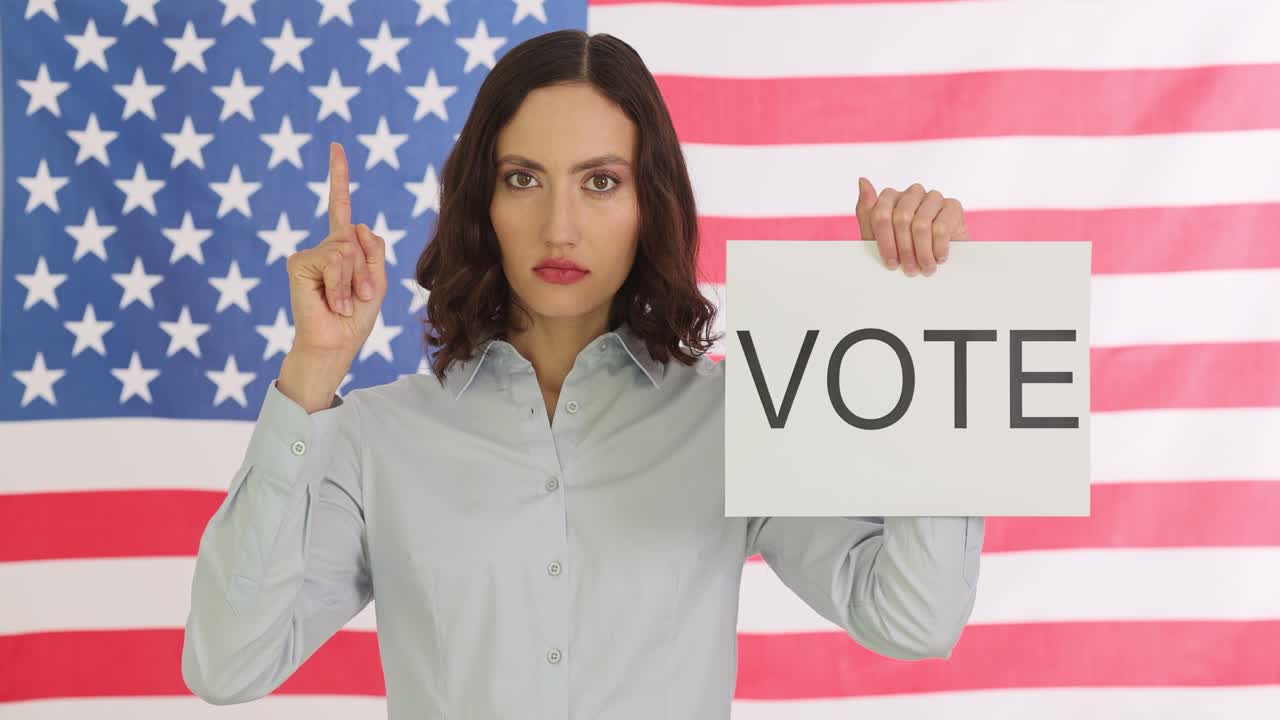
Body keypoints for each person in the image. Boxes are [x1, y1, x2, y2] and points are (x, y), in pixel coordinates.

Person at [181, 29, 982, 719]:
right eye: (522, 179)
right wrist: (315, 364)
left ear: (649, 203)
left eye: (601, 181)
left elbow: (915, 619)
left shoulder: (736, 419)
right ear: (481, 202)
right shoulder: (377, 435)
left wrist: (927, 330)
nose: (558, 226)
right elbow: (227, 665)